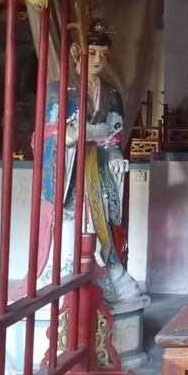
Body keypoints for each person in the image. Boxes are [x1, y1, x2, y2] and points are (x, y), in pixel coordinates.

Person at [36, 21, 143, 305]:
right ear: (75, 52)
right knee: (71, 218)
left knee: (102, 218)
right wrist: (69, 137)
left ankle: (108, 271)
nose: (99, 60)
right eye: (92, 53)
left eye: (104, 55)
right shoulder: (59, 90)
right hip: (71, 168)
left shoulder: (111, 93)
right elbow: (46, 131)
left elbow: (115, 131)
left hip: (98, 165)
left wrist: (116, 153)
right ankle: (61, 269)